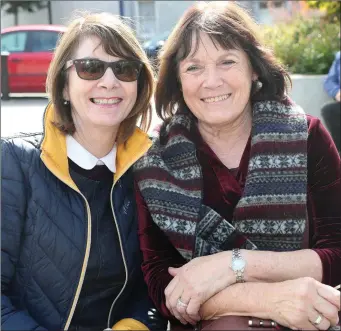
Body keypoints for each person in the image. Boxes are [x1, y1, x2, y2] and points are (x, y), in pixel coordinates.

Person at [133, 2, 341, 331]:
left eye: (227, 61)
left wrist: (232, 265)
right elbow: (163, 286)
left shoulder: (308, 137)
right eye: (193, 68)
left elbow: (337, 254)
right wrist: (269, 299)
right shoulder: (154, 162)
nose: (211, 81)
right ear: (177, 78)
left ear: (253, 68)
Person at [1, 12, 166, 331]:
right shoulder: (13, 163)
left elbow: (154, 285)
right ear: (63, 86)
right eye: (90, 68)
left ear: (138, 85)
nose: (109, 81)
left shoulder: (151, 167)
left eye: (124, 69)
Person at [321, 48, 340, 153]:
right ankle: (338, 153)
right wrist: (337, 92)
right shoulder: (339, 57)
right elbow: (329, 81)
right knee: (328, 110)